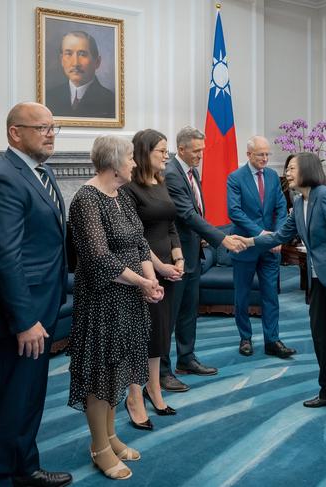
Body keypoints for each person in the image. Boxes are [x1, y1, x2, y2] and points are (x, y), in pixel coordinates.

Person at [0, 102, 72, 487]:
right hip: (20, 316)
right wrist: (24, 320)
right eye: (42, 128)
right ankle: (1, 478)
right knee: (10, 401)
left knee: (30, 397)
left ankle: (26, 468)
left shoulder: (41, 172)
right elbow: (6, 258)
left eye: (54, 127)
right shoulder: (4, 178)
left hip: (42, 307)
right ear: (15, 132)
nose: (50, 134)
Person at [241, 152, 326, 434]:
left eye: (292, 168)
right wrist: (248, 241)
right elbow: (279, 236)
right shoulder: (299, 202)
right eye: (286, 168)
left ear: (308, 169)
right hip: (319, 280)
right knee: (320, 337)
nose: (287, 172)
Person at [67, 135, 163, 480]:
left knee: (119, 369)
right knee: (100, 373)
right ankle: (99, 447)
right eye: (130, 158)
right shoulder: (86, 200)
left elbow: (139, 242)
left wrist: (150, 280)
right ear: (113, 162)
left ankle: (110, 436)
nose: (135, 163)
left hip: (129, 298)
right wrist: (142, 283)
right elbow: (97, 257)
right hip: (102, 301)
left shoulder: (121, 195)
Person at [161, 126, 246, 392]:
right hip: (175, 257)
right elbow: (186, 214)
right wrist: (221, 237)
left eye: (202, 150)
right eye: (196, 150)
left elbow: (196, 210)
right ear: (182, 149)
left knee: (188, 311)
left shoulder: (191, 171)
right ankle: (162, 371)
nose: (200, 155)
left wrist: (206, 237)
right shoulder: (172, 174)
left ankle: (186, 359)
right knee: (170, 316)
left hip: (193, 254)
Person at [122, 129, 183, 429]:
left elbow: (171, 224)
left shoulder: (160, 182)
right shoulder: (129, 189)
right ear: (145, 152)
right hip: (144, 271)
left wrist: (179, 257)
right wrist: (159, 267)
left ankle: (154, 389)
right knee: (141, 335)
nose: (166, 155)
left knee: (160, 333)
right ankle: (134, 395)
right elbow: (134, 237)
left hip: (168, 269)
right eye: (161, 150)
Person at [227, 135, 293, 358]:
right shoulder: (235, 178)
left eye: (267, 154)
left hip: (270, 248)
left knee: (270, 295)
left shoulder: (274, 176)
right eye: (260, 155)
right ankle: (245, 338)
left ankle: (272, 340)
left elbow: (282, 208)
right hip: (244, 245)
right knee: (242, 295)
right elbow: (234, 211)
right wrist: (260, 233)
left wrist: (276, 236)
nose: (265, 158)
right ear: (248, 155)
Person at [46, 31, 116, 118]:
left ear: (97, 62)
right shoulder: (49, 97)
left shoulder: (111, 101)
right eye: (68, 54)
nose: (75, 63)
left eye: (82, 54)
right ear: (61, 60)